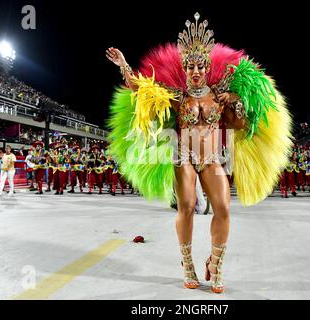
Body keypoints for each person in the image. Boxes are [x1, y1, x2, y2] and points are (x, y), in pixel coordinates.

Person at [106, 13, 292, 293]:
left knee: (224, 210)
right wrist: (123, 65)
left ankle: (215, 264)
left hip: (213, 159)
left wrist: (236, 100)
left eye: (199, 66)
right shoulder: (178, 95)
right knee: (188, 206)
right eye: (190, 66)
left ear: (206, 68)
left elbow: (238, 124)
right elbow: (141, 88)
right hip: (184, 158)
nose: (194, 71)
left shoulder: (219, 94)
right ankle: (188, 264)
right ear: (184, 69)